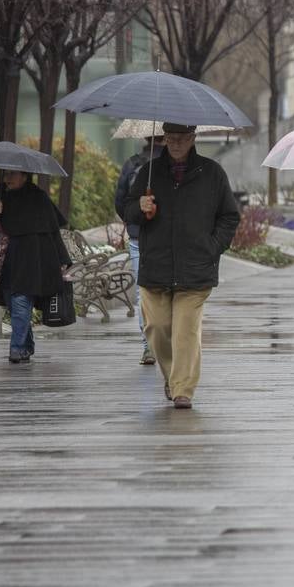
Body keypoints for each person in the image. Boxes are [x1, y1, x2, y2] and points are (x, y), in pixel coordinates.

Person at [125, 121, 241, 409]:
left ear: (192, 138)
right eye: (170, 138)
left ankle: (182, 390)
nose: (175, 144)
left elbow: (229, 216)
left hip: (196, 267)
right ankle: (174, 376)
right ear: (163, 139)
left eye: (181, 138)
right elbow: (126, 208)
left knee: (185, 331)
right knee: (157, 328)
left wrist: (212, 248)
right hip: (157, 266)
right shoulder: (149, 172)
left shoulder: (212, 173)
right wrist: (139, 207)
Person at [0, 169, 71, 363]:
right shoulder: (0, 194)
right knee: (14, 305)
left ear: (25, 176)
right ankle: (27, 345)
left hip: (31, 262)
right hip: (5, 263)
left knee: (20, 303)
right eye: (7, 174)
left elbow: (53, 232)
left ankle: (16, 349)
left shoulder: (38, 198)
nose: (8, 178)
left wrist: (62, 261)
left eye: (13, 174)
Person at [114, 134, 164, 365]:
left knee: (141, 293)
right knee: (165, 291)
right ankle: (164, 342)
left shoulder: (132, 163)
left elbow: (120, 201)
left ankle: (148, 348)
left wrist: (133, 219)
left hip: (136, 237)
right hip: (164, 238)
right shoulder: (173, 167)